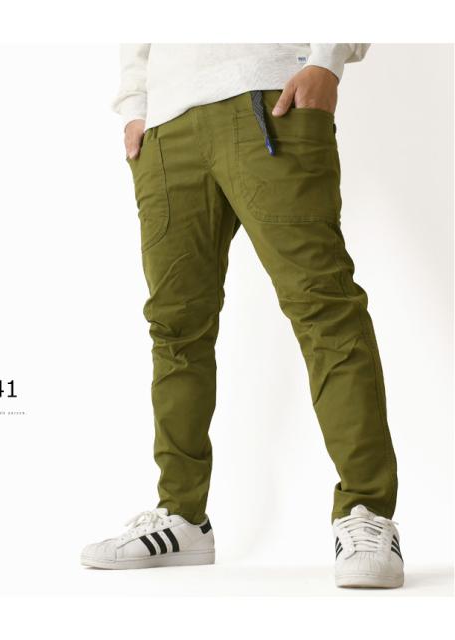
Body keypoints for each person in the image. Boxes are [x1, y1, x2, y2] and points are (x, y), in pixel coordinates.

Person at [81, 44, 403, 589]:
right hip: (166, 126)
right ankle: (182, 516)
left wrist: (327, 58)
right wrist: (136, 105)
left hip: (269, 97)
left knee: (322, 306)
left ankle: (367, 512)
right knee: (175, 329)